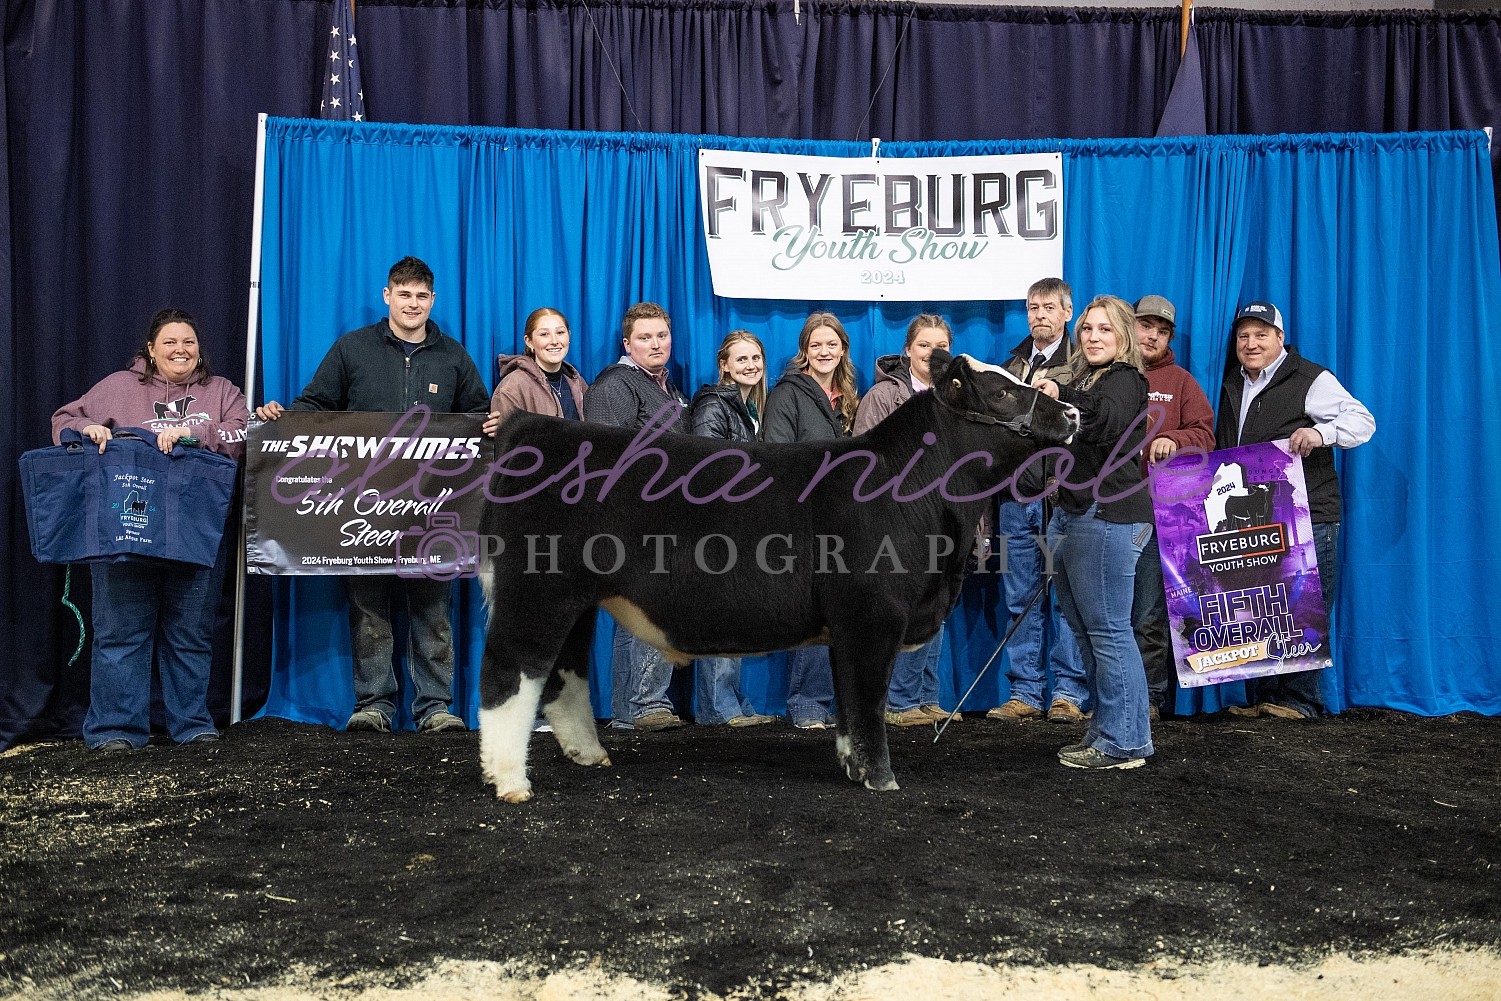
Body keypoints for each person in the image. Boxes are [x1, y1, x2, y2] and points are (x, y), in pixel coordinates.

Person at [256, 256, 489, 734]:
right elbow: (314, 406)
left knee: (432, 610)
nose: (413, 304)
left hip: (431, 508)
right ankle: (374, 705)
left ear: (433, 300)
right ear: (387, 297)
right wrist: (283, 420)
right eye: (404, 294)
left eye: (422, 296)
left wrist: (491, 424)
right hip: (360, 509)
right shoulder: (353, 348)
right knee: (368, 608)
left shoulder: (454, 357)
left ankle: (436, 708)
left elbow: (478, 418)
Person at [51, 308, 248, 751]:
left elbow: (241, 434)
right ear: (150, 351)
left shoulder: (222, 392)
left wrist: (194, 433)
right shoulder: (118, 387)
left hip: (197, 529)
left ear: (200, 350)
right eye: (170, 343)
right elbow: (63, 420)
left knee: (191, 632)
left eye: (189, 343)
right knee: (120, 630)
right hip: (126, 526)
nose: (181, 350)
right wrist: (90, 428)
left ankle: (192, 725)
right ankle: (115, 731)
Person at [1216, 301, 1375, 720]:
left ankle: (1300, 699)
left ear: (1280, 338)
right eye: (1244, 336)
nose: (1251, 344)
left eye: (1261, 335)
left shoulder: (1310, 378)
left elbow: (1363, 421)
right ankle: (1265, 697)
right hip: (1257, 513)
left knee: (1304, 599)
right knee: (1263, 601)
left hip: (1309, 512)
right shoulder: (1235, 381)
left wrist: (1320, 432)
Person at [1033, 294, 1154, 769]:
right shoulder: (1085, 378)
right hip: (1076, 511)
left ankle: (1125, 741)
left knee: (1107, 631)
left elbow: (1104, 420)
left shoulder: (1125, 380)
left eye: (1105, 329)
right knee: (1087, 630)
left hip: (1109, 515)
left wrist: (1062, 396)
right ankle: (1110, 730)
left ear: (1123, 336)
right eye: (1087, 329)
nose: (1093, 336)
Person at [583, 301, 690, 732]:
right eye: (645, 337)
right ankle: (645, 705)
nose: (656, 343)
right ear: (627, 343)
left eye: (662, 335)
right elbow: (609, 460)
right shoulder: (615, 385)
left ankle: (632, 713)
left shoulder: (666, 387)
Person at [482, 306, 589, 734]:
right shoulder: (513, 387)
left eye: (560, 331)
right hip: (532, 515)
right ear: (529, 341)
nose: (554, 340)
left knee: (562, 617)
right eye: (544, 334)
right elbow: (506, 460)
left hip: (572, 513)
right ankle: (516, 710)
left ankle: (555, 709)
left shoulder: (578, 383)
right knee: (526, 618)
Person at [987, 277, 1088, 725]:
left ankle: (1068, 691)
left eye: (1049, 307)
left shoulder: (1083, 367)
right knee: (1018, 596)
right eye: (1033, 307)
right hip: (1015, 496)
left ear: (1068, 312)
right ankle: (1025, 691)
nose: (1039, 315)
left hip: (1062, 497)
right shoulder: (1010, 367)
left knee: (1066, 597)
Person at [852, 314, 956, 727]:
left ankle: (926, 696)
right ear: (908, 350)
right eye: (924, 345)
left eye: (940, 346)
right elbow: (864, 459)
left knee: (936, 604)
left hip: (944, 518)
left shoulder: (956, 399)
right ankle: (900, 701)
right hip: (897, 518)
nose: (932, 353)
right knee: (900, 606)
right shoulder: (882, 397)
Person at [763, 311, 859, 729]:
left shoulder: (849, 397)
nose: (824, 351)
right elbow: (776, 458)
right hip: (803, 519)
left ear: (842, 349)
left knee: (844, 613)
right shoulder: (788, 394)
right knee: (816, 612)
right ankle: (806, 705)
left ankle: (840, 705)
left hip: (844, 521)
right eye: (816, 344)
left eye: (831, 344)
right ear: (805, 350)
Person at [1130, 295, 1215, 720]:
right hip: (1103, 510)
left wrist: (1176, 439)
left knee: (1147, 612)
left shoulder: (1179, 381)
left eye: (1161, 331)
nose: (1152, 336)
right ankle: (1111, 698)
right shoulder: (1109, 372)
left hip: (1153, 515)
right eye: (1146, 326)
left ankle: (1148, 699)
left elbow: (1205, 434)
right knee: (1104, 614)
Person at [687, 330, 777, 728]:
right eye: (741, 359)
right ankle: (717, 708)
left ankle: (733, 702)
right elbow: (705, 467)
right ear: (724, 365)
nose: (751, 366)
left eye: (755, 358)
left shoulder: (748, 407)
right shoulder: (714, 403)